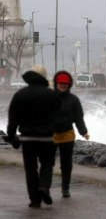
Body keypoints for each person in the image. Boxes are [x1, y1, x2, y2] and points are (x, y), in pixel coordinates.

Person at [6, 65, 61, 208]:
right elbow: (59, 118)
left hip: (27, 139)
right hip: (48, 139)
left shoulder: (20, 95)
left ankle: (35, 200)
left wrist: (12, 137)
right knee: (47, 165)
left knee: (30, 169)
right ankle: (44, 187)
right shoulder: (52, 95)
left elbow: (13, 119)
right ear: (44, 78)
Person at [53, 70, 89, 198]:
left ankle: (65, 188)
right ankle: (44, 187)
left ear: (69, 85)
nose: (63, 86)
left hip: (67, 134)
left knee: (66, 163)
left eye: (65, 84)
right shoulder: (49, 97)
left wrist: (83, 132)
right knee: (47, 162)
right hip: (51, 135)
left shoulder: (74, 100)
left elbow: (79, 118)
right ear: (56, 83)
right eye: (60, 83)